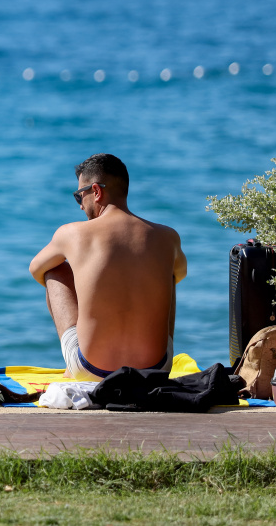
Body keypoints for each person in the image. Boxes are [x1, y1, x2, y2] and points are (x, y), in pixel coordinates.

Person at [29, 153, 187, 381]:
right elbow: (180, 274)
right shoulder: (167, 237)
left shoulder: (71, 233)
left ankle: (71, 368)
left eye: (78, 196)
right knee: (168, 274)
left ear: (96, 191)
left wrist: (83, 275)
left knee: (54, 270)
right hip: (155, 370)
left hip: (91, 370)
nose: (80, 207)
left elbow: (36, 269)